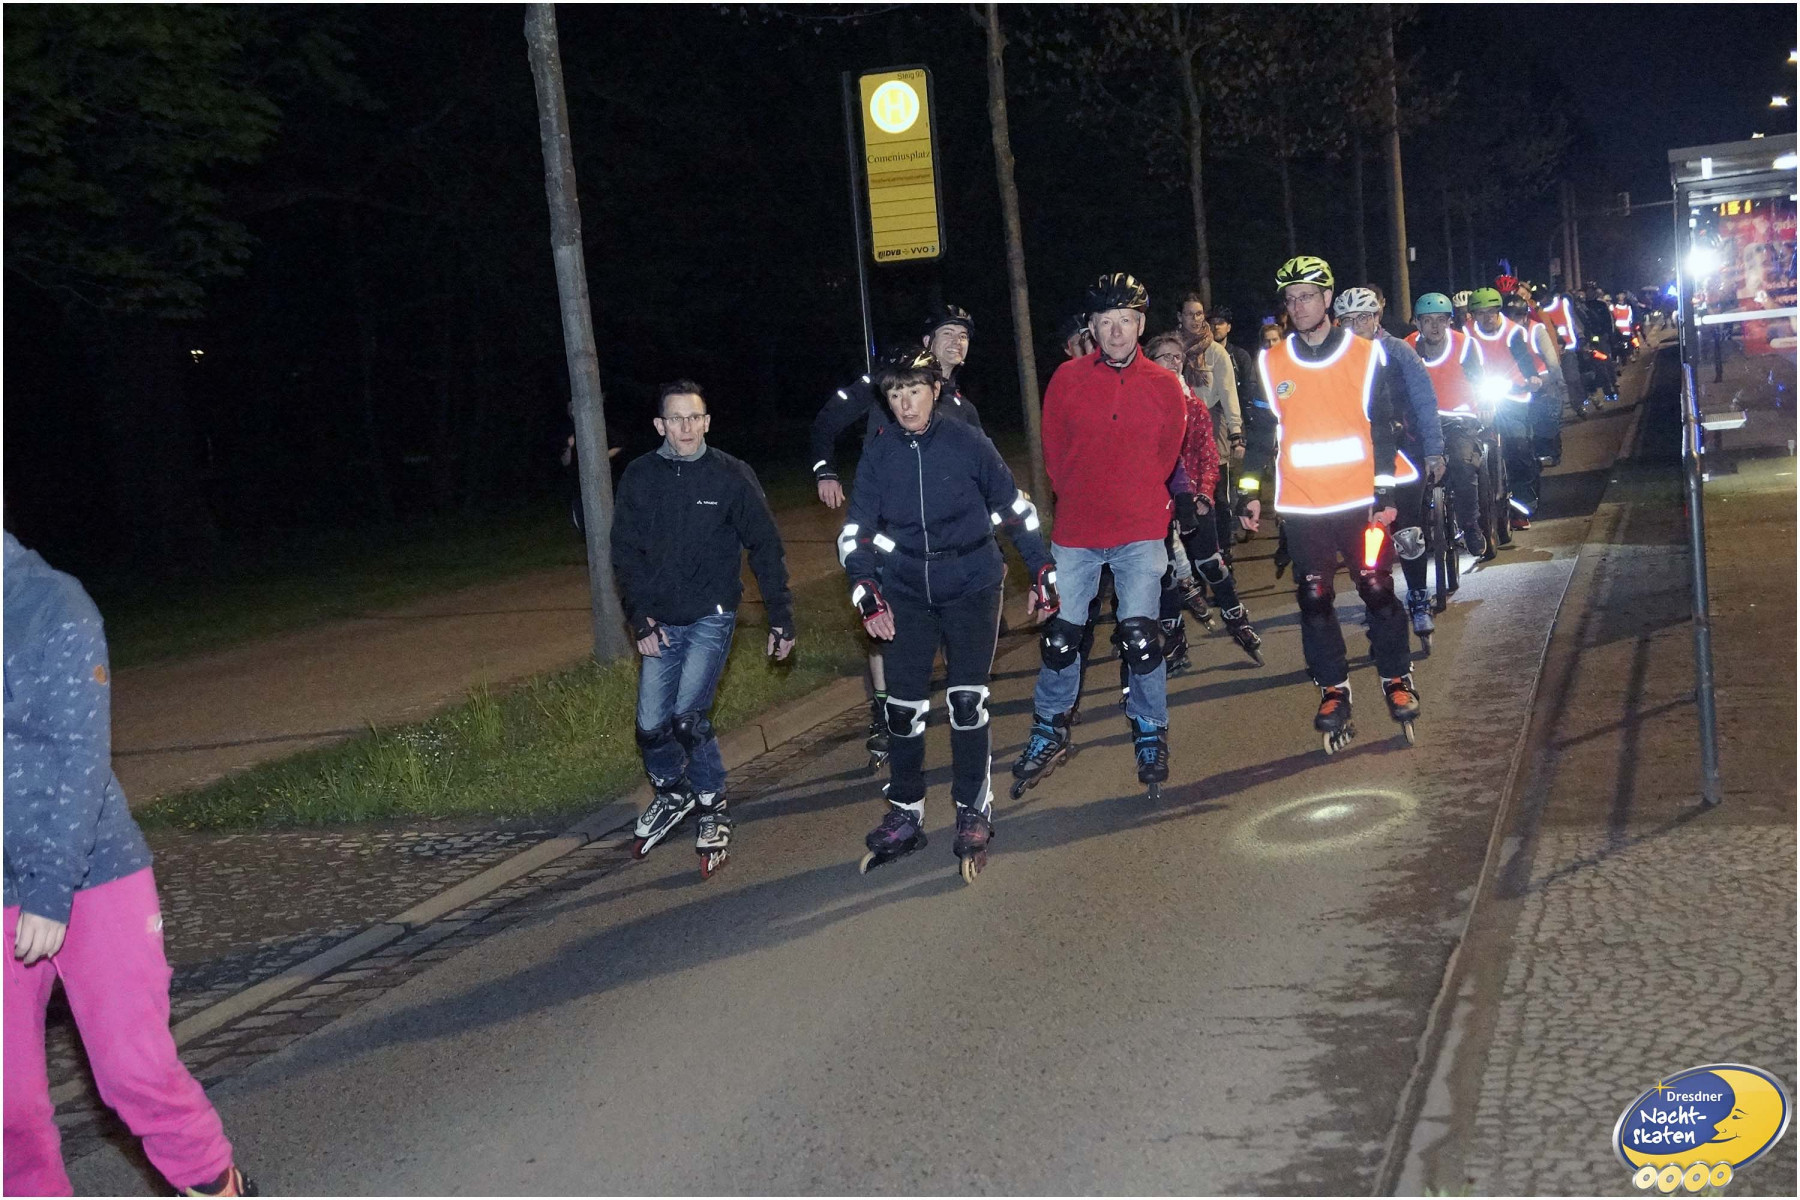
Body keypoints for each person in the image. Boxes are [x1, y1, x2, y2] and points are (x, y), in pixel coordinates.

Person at [4, 532, 256, 1198]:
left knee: (134, 1073)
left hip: (91, 873)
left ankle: (218, 1186)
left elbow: (81, 760)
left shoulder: (53, 605)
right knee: (8, 1111)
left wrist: (50, 890)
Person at [839, 350, 1055, 882]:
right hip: (906, 587)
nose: (906, 404)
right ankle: (905, 812)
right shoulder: (880, 453)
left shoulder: (967, 441)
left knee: (965, 701)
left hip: (971, 582)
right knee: (902, 709)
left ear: (935, 390)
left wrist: (1042, 570)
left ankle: (973, 809)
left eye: (914, 390)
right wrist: (866, 590)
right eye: (895, 394)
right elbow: (856, 531)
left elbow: (1015, 509)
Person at [1014, 273, 1188, 798]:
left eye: (1125, 321)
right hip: (1079, 527)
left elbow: (1166, 455)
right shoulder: (1067, 379)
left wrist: (1135, 496)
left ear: (1141, 325)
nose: (1116, 332)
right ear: (1091, 327)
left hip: (1139, 527)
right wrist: (1085, 495)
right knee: (1061, 637)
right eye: (1106, 322)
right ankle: (1050, 727)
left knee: (1141, 636)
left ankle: (1150, 729)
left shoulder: (1164, 385)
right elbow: (1054, 452)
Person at [612, 381, 795, 876]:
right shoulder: (640, 476)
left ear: (707, 422)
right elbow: (624, 552)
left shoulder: (731, 475)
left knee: (687, 719)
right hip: (658, 619)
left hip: (712, 615)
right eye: (676, 419)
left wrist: (781, 616)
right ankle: (673, 794)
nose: (686, 427)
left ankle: (713, 807)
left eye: (694, 417)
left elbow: (765, 546)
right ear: (660, 426)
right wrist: (639, 617)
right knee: (650, 727)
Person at [810, 304, 984, 769]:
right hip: (885, 530)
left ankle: (929, 707)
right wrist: (825, 470)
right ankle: (884, 714)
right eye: (947, 333)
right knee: (880, 615)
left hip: (941, 541)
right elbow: (826, 421)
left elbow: (984, 477)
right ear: (927, 342)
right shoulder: (884, 383)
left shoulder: (961, 408)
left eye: (963, 336)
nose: (956, 342)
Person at [1260, 256, 1420, 751]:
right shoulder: (1272, 362)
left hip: (1360, 502)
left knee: (1376, 587)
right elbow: (1264, 431)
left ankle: (1396, 677)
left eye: (1307, 296)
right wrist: (1246, 492)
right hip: (1303, 505)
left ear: (1327, 298)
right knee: (1313, 597)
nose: (1298, 306)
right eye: (1291, 299)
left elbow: (1383, 427)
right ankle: (1333, 689)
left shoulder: (1365, 354)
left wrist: (1385, 493)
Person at [1335, 287, 1447, 644]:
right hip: (1356, 460)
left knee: (1408, 530)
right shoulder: (1334, 359)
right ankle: (1378, 603)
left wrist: (1434, 451)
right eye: (1348, 321)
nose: (1356, 327)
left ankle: (1418, 597)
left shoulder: (1398, 351)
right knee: (1362, 538)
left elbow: (1425, 401)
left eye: (1363, 318)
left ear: (1376, 317)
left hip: (1403, 452)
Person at [1146, 332, 1263, 668]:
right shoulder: (1142, 405)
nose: (1173, 362)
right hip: (1157, 503)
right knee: (1166, 574)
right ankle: (1174, 638)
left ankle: (1237, 619)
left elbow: (1209, 455)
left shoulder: (1194, 405)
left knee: (1211, 563)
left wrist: (1204, 493)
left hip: (1194, 498)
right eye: (1165, 357)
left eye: (1177, 357)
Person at [1407, 292, 1490, 558]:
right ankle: (1416, 532)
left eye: (1441, 320)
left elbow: (1479, 379)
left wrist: (1485, 405)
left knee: (1464, 466)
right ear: (1417, 323)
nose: (1435, 326)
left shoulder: (1465, 345)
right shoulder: (1406, 348)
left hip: (1459, 420)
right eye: (1428, 320)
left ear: (1449, 322)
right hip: (1421, 423)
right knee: (1409, 474)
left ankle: (1470, 526)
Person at [1465, 286, 1551, 530]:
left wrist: (1533, 378)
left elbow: (1526, 360)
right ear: (1473, 315)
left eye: (1492, 312)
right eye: (1481, 313)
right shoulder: (1465, 334)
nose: (1487, 318)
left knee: (1518, 447)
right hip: (1479, 399)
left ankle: (1521, 508)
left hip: (1513, 396)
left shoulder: (1514, 332)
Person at [1176, 292, 1246, 560]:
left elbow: (1229, 393)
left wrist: (1236, 432)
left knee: (1217, 493)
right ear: (1180, 317)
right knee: (1185, 492)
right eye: (1189, 314)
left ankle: (1223, 552)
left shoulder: (1216, 352)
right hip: (1180, 431)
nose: (1195, 319)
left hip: (1211, 427)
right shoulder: (1172, 349)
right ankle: (1191, 556)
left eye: (1199, 314)